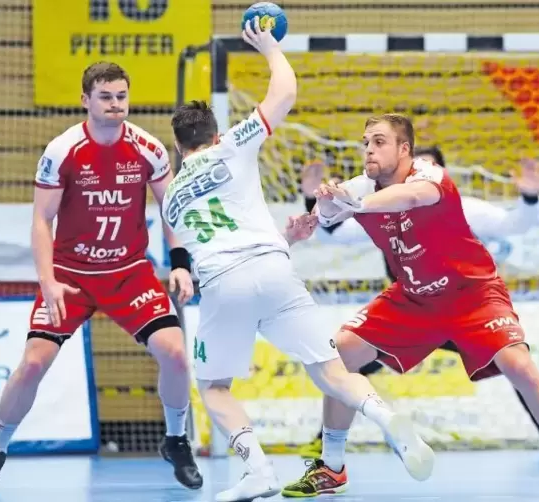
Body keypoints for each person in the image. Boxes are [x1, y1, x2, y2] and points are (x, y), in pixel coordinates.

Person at [160, 20, 433, 502]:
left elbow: (218, 235)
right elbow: (285, 91)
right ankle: (387, 419)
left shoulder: (170, 197)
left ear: (179, 146)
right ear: (214, 131)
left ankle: (258, 472)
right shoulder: (230, 148)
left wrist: (283, 235)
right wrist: (268, 47)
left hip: (225, 282)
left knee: (216, 387)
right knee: (330, 372)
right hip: (275, 270)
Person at [281, 113, 539, 498]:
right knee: (337, 356)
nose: (369, 149)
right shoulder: (360, 186)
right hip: (413, 299)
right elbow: (328, 222)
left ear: (404, 150)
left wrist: (353, 201)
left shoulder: (430, 176)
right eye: (366, 142)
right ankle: (332, 468)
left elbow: (408, 197)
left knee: (518, 365)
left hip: (471, 296)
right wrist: (320, 205)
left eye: (379, 142)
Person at [0, 62, 203, 491]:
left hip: (129, 272)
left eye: (121, 96)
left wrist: (180, 261)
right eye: (106, 96)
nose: (115, 104)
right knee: (34, 362)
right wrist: (48, 281)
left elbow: (172, 211)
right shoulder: (62, 150)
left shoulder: (148, 149)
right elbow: (41, 220)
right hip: (71, 275)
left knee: (176, 353)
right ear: (86, 100)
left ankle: (176, 439)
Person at [297, 147, 539, 457]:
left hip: (464, 316)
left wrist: (529, 198)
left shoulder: (464, 208)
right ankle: (327, 444)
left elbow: (515, 225)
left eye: (429, 169)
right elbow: (334, 233)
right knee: (351, 365)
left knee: (515, 366)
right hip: (411, 316)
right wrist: (312, 201)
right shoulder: (386, 211)